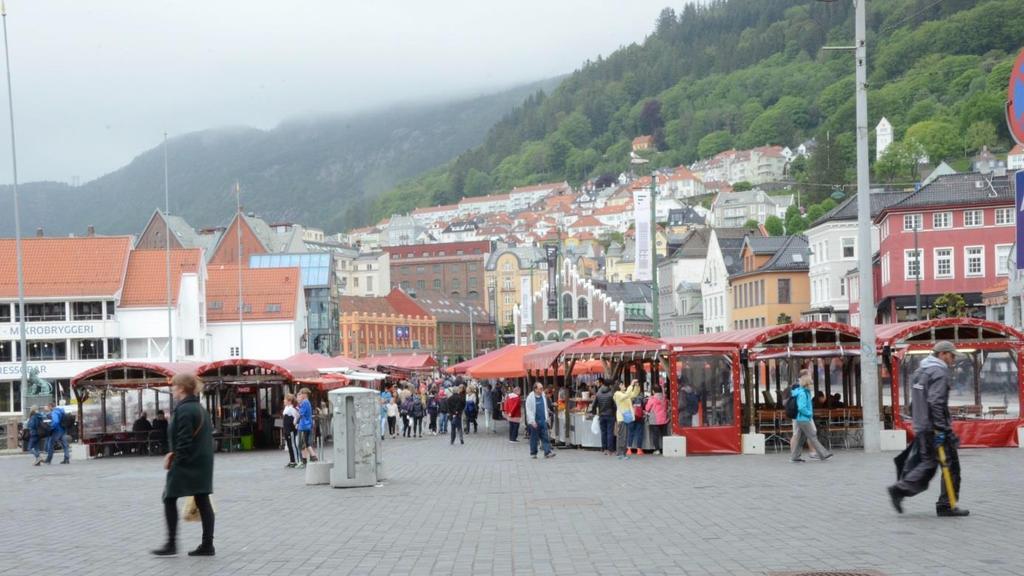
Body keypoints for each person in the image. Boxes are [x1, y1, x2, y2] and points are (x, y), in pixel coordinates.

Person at [888, 341, 968, 517]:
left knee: (929, 463)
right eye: (951, 355)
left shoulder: (920, 371)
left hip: (922, 425)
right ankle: (946, 505)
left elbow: (915, 402)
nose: (953, 359)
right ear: (942, 354)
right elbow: (936, 401)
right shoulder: (939, 372)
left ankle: (901, 489)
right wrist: (942, 429)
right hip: (935, 428)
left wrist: (920, 420)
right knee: (952, 466)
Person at [151, 373, 215, 557]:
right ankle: (207, 544)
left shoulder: (185, 410)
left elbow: (184, 440)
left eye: (174, 386)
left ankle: (171, 543)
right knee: (202, 499)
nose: (172, 389)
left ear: (181, 388)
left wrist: (175, 459)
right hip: (202, 461)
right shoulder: (200, 409)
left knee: (169, 497)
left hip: (187, 462)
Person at [790, 375, 833, 463]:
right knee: (813, 436)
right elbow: (801, 407)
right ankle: (823, 454)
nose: (812, 385)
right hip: (803, 419)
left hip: (801, 419)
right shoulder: (802, 393)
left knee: (801, 439)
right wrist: (809, 414)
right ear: (807, 384)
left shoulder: (804, 392)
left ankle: (795, 456)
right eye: (810, 383)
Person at [525, 382, 556, 459]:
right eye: (540, 388)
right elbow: (529, 410)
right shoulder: (530, 398)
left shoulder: (543, 396)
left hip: (543, 420)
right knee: (534, 438)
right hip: (535, 421)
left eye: (542, 388)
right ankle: (533, 453)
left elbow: (545, 407)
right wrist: (532, 421)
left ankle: (547, 452)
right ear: (535, 389)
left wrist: (547, 417)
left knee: (545, 437)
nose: (542, 390)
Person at [613, 380, 639, 459]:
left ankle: (622, 453)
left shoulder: (624, 393)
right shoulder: (617, 394)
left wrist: (636, 386)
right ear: (619, 386)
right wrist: (631, 385)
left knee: (624, 436)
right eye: (622, 384)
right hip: (621, 417)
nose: (624, 385)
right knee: (622, 436)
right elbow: (627, 395)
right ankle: (621, 453)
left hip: (626, 417)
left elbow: (634, 394)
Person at [590, 380, 616, 455]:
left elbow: (594, 405)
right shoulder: (611, 393)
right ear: (609, 385)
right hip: (610, 415)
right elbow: (615, 405)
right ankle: (610, 449)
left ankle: (604, 448)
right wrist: (614, 412)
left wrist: (594, 412)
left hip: (601, 415)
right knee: (610, 432)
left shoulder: (598, 393)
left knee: (603, 432)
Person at [295, 388, 318, 468]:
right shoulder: (307, 402)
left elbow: (301, 413)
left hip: (304, 425)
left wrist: (298, 405)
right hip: (307, 425)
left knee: (302, 444)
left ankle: (305, 460)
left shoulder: (304, 402)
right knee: (305, 443)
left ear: (305, 394)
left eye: (301, 394)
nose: (300, 395)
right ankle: (313, 457)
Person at [645, 384, 669, 455]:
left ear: (653, 391)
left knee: (655, 435)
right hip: (664, 419)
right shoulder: (664, 398)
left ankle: (657, 449)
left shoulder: (652, 399)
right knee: (664, 435)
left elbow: (647, 408)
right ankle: (666, 448)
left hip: (655, 420)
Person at [282, 394, 299, 468]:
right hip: (287, 429)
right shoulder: (287, 408)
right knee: (289, 445)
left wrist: (294, 423)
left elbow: (297, 416)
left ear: (289, 401)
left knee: (292, 445)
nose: (284, 401)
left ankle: (295, 460)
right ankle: (292, 460)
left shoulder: (292, 408)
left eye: (285, 399)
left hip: (291, 430)